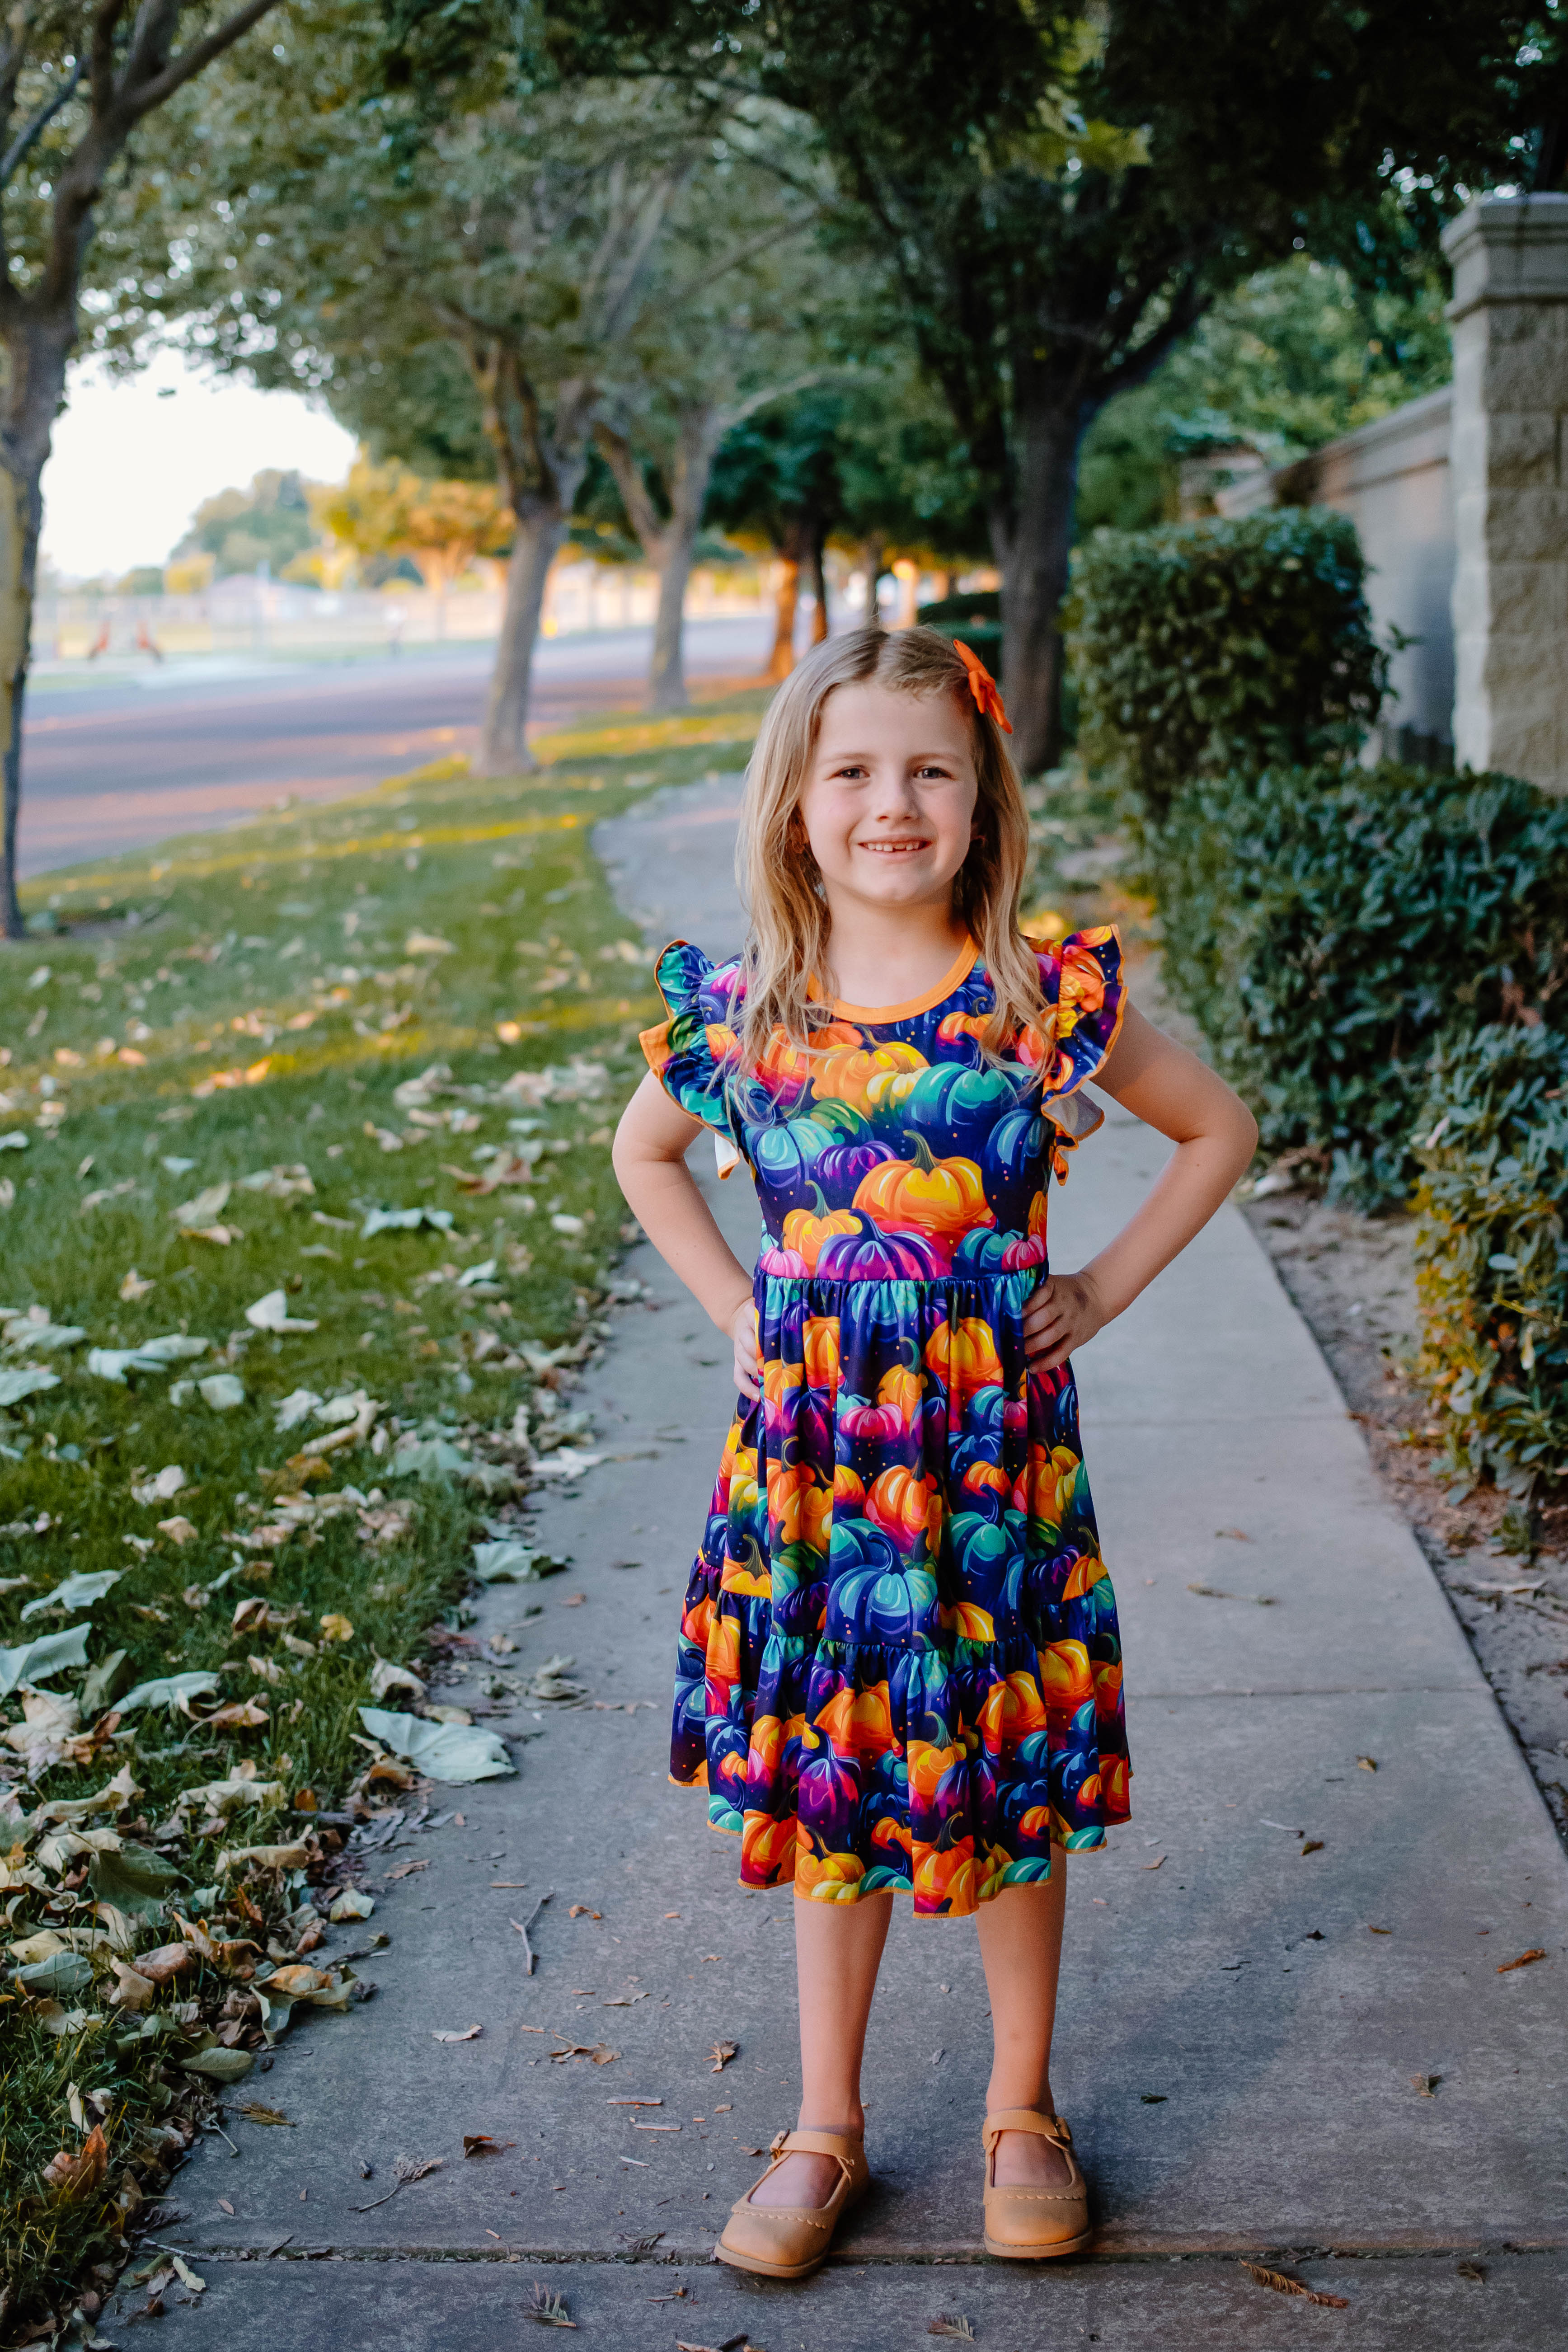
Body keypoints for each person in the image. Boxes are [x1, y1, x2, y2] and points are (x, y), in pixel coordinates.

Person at [612, 624, 1257, 2275]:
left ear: (982, 800)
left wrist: (1099, 1287)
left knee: (1009, 1774)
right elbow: (649, 1162)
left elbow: (1219, 1130)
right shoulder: (747, 1009)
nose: (891, 804)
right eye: (852, 773)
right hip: (822, 1476)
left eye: (929, 772)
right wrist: (744, 1310)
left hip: (992, 1473)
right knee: (843, 1780)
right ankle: (824, 2124)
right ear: (793, 804)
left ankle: (1020, 2105)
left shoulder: (1036, 1002)